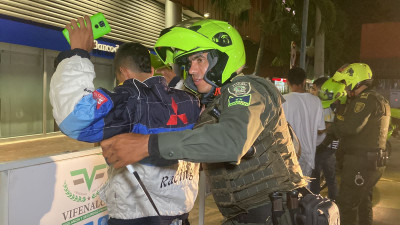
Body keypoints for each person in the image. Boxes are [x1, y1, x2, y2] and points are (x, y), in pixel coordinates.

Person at [101, 18, 307, 225]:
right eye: (189, 63)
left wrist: (148, 145)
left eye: (200, 60)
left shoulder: (244, 89)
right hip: (249, 216)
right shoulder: (216, 105)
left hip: (275, 214)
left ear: (223, 59)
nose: (191, 70)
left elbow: (230, 141)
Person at [49, 16, 201, 225]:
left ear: (123, 72)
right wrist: (175, 82)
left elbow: (73, 118)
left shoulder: (131, 101)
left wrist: (78, 54)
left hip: (135, 219)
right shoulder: (190, 101)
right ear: (151, 70)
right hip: (181, 216)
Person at [328, 63, 390, 225]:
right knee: (363, 204)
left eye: (346, 83)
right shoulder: (378, 98)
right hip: (371, 163)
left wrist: (332, 124)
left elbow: (350, 128)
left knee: (346, 207)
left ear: (355, 81)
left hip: (360, 163)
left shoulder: (364, 99)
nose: (345, 88)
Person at [282, 67, 326, 179]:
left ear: (288, 82)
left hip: (288, 155)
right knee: (305, 193)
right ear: (304, 81)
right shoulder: (316, 101)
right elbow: (321, 130)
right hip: (308, 156)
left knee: (288, 192)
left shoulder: (282, 100)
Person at [309, 77, 347, 200]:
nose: (312, 92)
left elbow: (326, 127)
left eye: (314, 89)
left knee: (318, 177)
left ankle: (317, 203)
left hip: (325, 147)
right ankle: (332, 203)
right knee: (330, 178)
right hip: (325, 147)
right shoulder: (330, 104)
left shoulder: (329, 105)